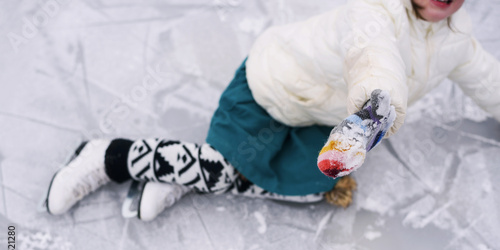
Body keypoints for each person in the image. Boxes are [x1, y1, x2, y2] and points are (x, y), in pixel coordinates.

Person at [42, 0, 500, 221]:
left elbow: (488, 80)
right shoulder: (375, 10)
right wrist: (375, 107)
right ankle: (106, 156)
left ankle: (184, 175)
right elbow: (373, 53)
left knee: (313, 189)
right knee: (229, 169)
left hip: (318, 120)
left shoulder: (457, 42)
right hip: (268, 89)